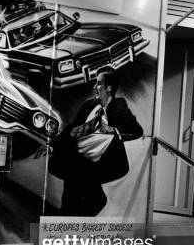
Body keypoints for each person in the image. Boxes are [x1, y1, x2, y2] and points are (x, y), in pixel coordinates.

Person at [49, 66, 143, 216]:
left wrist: (113, 130)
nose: (94, 87)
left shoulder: (119, 107)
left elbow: (137, 131)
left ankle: (72, 222)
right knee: (73, 191)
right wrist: (52, 144)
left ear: (109, 88)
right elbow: (71, 129)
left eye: (98, 83)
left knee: (89, 197)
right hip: (79, 159)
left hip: (102, 164)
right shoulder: (89, 105)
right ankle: (68, 222)